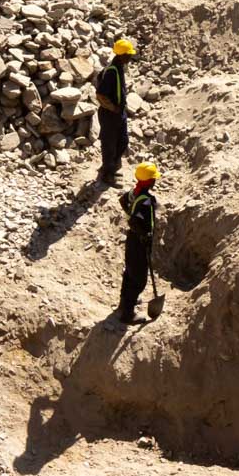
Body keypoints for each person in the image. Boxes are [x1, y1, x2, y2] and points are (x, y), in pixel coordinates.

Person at [116, 162, 160, 324]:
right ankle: (127, 314)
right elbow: (136, 221)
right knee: (139, 278)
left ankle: (125, 301)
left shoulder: (134, 193)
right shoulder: (147, 200)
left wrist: (130, 213)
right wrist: (145, 235)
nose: (155, 181)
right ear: (149, 182)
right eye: (154, 179)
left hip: (131, 239)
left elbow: (122, 200)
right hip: (139, 242)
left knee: (130, 272)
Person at [93, 37, 137, 188]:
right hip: (110, 114)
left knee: (123, 141)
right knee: (109, 144)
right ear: (122, 55)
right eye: (129, 54)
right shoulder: (112, 72)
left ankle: (110, 166)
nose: (131, 57)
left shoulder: (118, 67)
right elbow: (100, 95)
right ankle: (107, 174)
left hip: (119, 113)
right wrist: (113, 108)